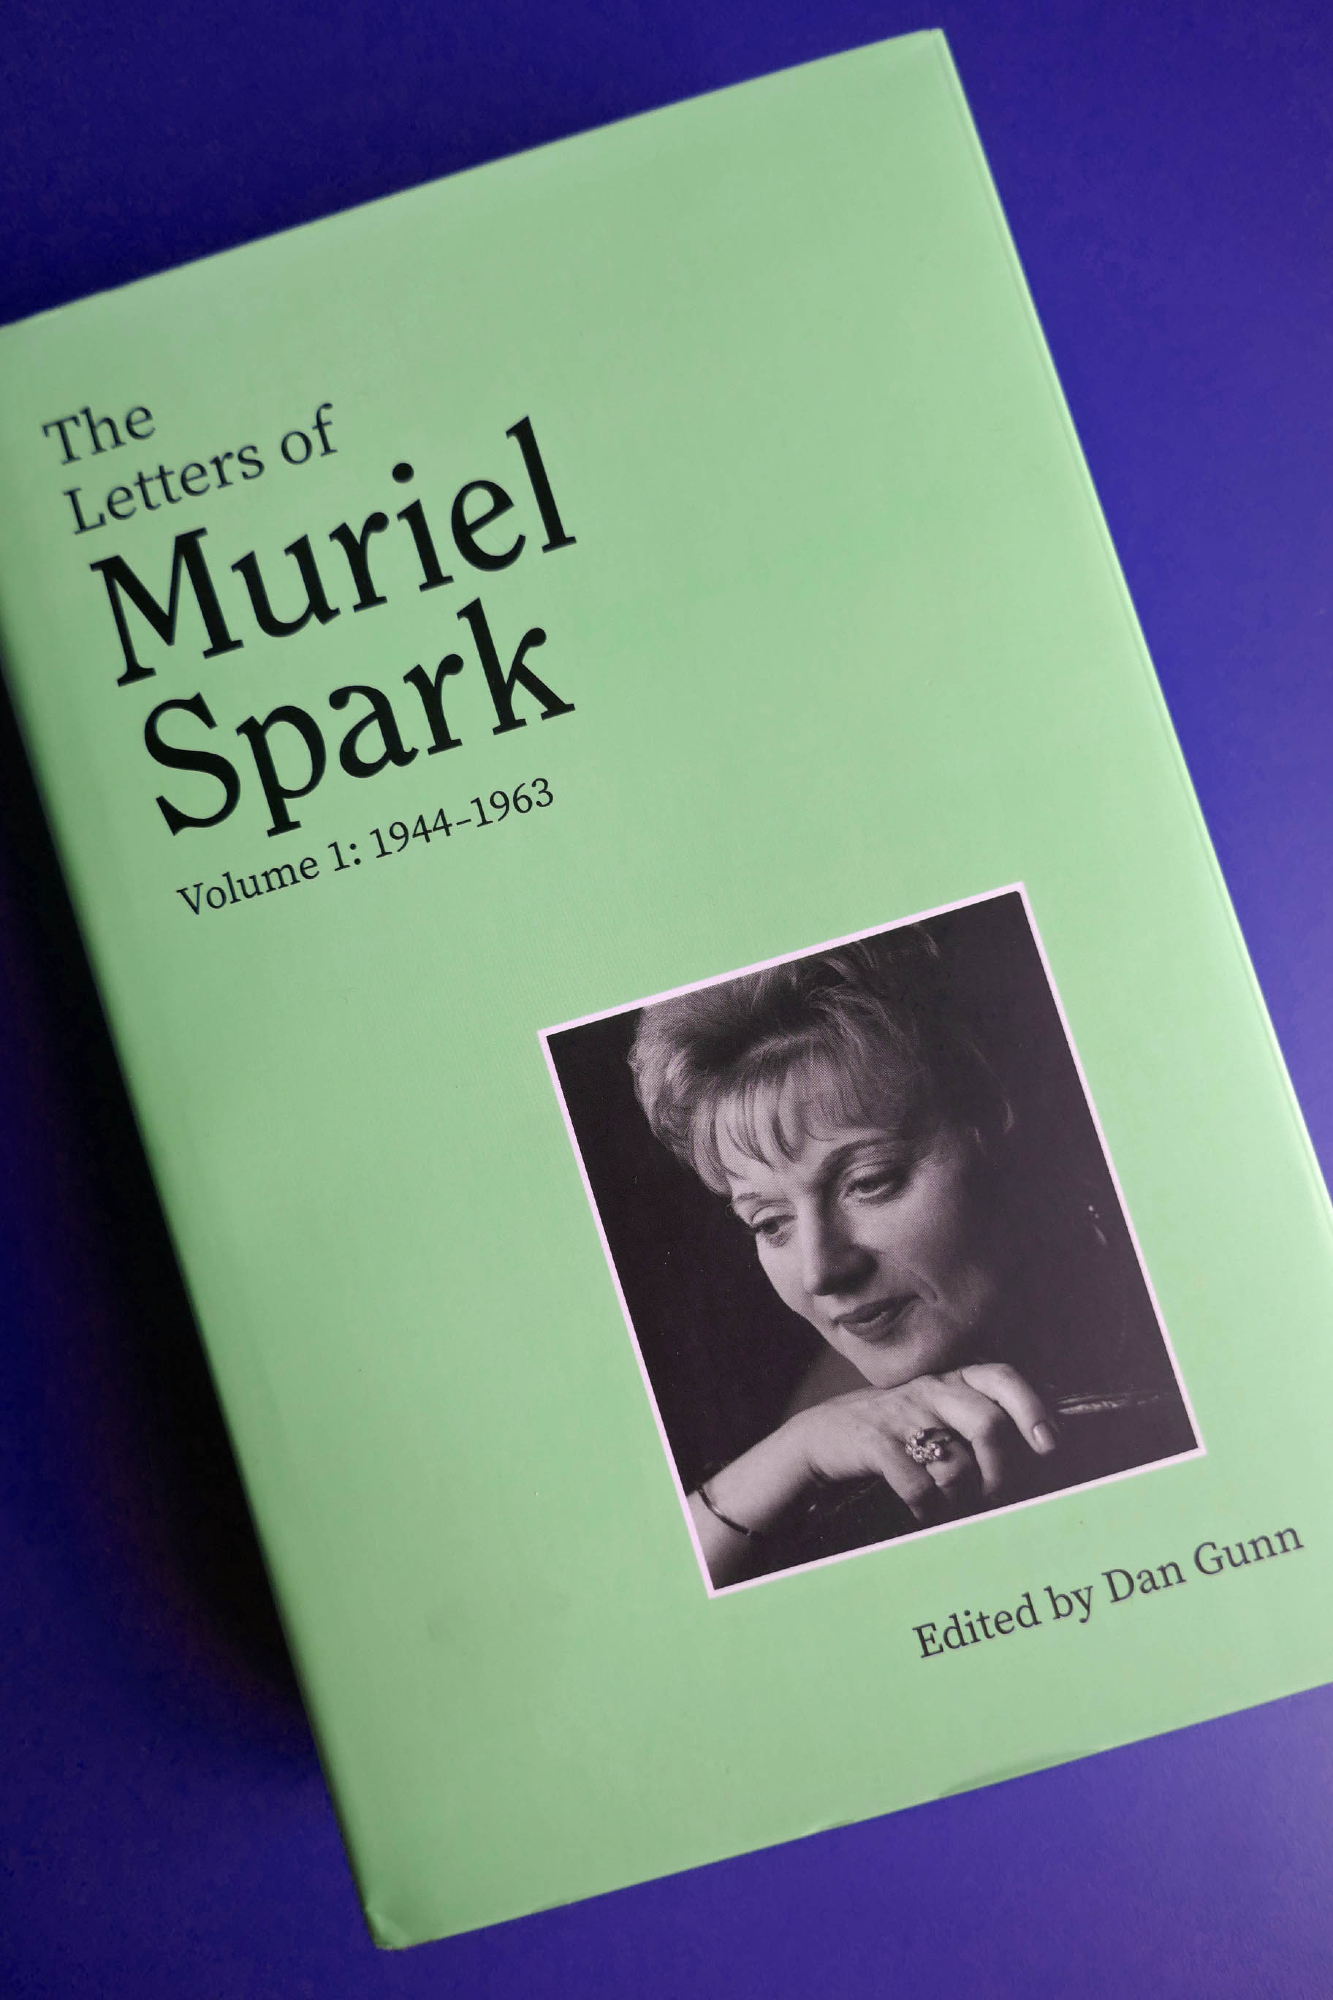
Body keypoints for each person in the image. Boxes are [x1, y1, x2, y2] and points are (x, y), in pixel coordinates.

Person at [627, 913, 1193, 1586]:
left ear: (994, 1128)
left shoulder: (1184, 1296)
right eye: (770, 1222)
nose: (821, 1270)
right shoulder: (833, 1403)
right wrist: (791, 1453)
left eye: (869, 1182)